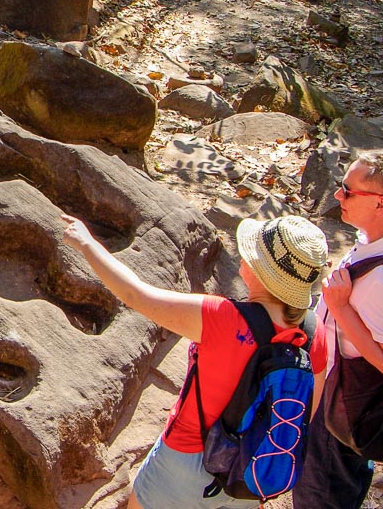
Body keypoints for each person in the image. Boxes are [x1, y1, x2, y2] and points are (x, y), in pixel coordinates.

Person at [62, 213, 329, 509]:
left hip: (186, 459)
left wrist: (87, 244)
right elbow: (307, 411)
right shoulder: (315, 333)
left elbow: (134, 294)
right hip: (252, 470)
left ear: (261, 272)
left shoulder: (222, 318)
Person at [292, 149, 383, 508]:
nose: (337, 195)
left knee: (323, 488)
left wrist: (341, 308)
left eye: (348, 190)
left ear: (380, 203)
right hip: (363, 396)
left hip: (349, 396)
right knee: (348, 477)